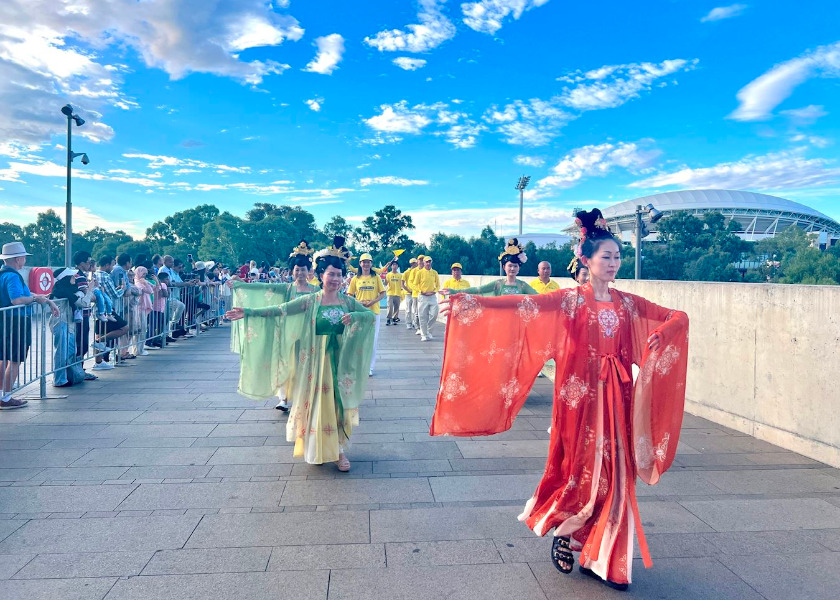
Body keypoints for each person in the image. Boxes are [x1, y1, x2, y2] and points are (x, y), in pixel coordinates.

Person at [431, 208, 689, 591]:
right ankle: (566, 531)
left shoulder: (628, 304)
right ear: (586, 260)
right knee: (580, 469)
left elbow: (675, 316)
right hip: (579, 400)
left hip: (618, 400)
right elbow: (522, 307)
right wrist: (472, 303)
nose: (614, 263)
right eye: (607, 257)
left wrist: (667, 332)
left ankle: (604, 557)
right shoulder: (569, 301)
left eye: (618, 257)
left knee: (617, 473)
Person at [226, 235, 375, 472]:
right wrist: (249, 311)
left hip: (337, 362)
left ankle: (338, 451)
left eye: (339, 274)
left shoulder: (347, 302)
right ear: (321, 275)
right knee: (315, 404)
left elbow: (370, 316)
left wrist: (355, 317)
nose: (335, 278)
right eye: (331, 274)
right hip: (314, 364)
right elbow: (279, 310)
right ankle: (317, 447)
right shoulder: (310, 301)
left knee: (335, 404)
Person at [231, 241, 319, 412]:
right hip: (287, 332)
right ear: (292, 272)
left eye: (303, 269)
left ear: (309, 272)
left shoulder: (316, 290)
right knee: (285, 362)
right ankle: (283, 398)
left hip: (308, 331)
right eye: (297, 269)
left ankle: (305, 397)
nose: (300, 273)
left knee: (305, 364)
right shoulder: (286, 288)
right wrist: (242, 283)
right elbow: (264, 287)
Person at [0, 242, 59, 408]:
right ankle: (6, 397)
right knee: (15, 359)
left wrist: (44, 299)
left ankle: (2, 394)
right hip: (16, 321)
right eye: (24, 257)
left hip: (4, 320)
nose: (25, 260)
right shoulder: (13, 276)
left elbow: (24, 293)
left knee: (3, 358)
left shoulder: (3, 274)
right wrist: (35, 299)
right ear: (18, 259)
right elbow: (17, 299)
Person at [448, 239, 538, 297]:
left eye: (515, 266)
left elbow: (539, 297)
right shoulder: (498, 284)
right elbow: (477, 290)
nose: (512, 269)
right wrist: (454, 291)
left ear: (519, 268)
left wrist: (552, 297)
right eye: (510, 266)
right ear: (504, 267)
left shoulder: (522, 285)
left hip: (518, 322)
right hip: (501, 320)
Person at [347, 252, 386, 376]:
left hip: (373, 312)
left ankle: (370, 367)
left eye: (368, 262)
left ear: (371, 264)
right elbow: (349, 295)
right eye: (364, 262)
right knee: (359, 339)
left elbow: (382, 294)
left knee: (373, 340)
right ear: (360, 264)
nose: (366, 264)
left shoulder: (376, 278)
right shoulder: (355, 279)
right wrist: (358, 302)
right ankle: (359, 365)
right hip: (359, 312)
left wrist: (372, 302)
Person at [92, 255, 129, 370]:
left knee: (100, 332)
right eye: (112, 264)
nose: (113, 267)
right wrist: (122, 289)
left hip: (97, 310)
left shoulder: (95, 275)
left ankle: (98, 361)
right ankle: (99, 342)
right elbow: (114, 295)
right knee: (124, 327)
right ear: (107, 265)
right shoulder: (106, 276)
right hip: (108, 310)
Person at [72, 251, 98, 380]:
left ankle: (78, 369)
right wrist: (92, 289)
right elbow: (89, 296)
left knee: (79, 343)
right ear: (82, 263)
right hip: (82, 315)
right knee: (81, 343)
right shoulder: (80, 277)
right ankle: (78, 370)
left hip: (80, 315)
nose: (90, 264)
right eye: (88, 262)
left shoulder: (76, 275)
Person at [414, 255, 440, 342]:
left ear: (431, 262)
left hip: (432, 296)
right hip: (423, 296)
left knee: (434, 314)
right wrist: (421, 291)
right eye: (426, 262)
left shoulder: (435, 273)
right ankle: (424, 334)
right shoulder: (420, 273)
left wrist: (435, 291)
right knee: (422, 316)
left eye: (429, 261)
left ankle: (429, 331)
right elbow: (415, 284)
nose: (428, 263)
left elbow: (438, 284)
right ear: (424, 263)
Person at [401, 257, 418, 330]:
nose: (414, 264)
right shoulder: (406, 272)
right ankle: (408, 323)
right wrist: (408, 290)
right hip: (408, 293)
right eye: (413, 263)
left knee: (416, 309)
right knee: (408, 309)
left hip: (415, 293)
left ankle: (415, 322)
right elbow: (402, 284)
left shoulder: (418, 271)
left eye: (415, 263)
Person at [385, 261, 403, 326]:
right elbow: (386, 283)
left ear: (397, 266)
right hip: (390, 292)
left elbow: (402, 284)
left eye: (396, 265)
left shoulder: (400, 275)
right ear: (391, 266)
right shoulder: (388, 275)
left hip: (398, 293)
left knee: (396, 307)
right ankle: (388, 318)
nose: (394, 266)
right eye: (393, 265)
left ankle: (395, 318)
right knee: (390, 306)